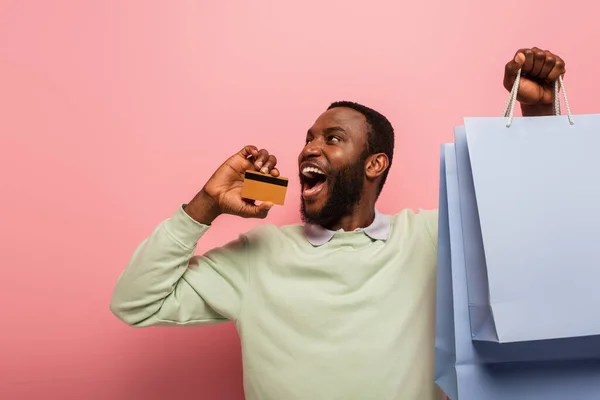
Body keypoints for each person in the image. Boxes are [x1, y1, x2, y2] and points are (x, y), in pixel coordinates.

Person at [110, 47, 567, 400]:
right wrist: (207, 203)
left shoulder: (428, 237)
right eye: (308, 138)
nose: (310, 148)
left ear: (374, 165)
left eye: (332, 139)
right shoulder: (260, 253)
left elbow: (531, 228)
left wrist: (539, 118)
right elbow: (136, 303)